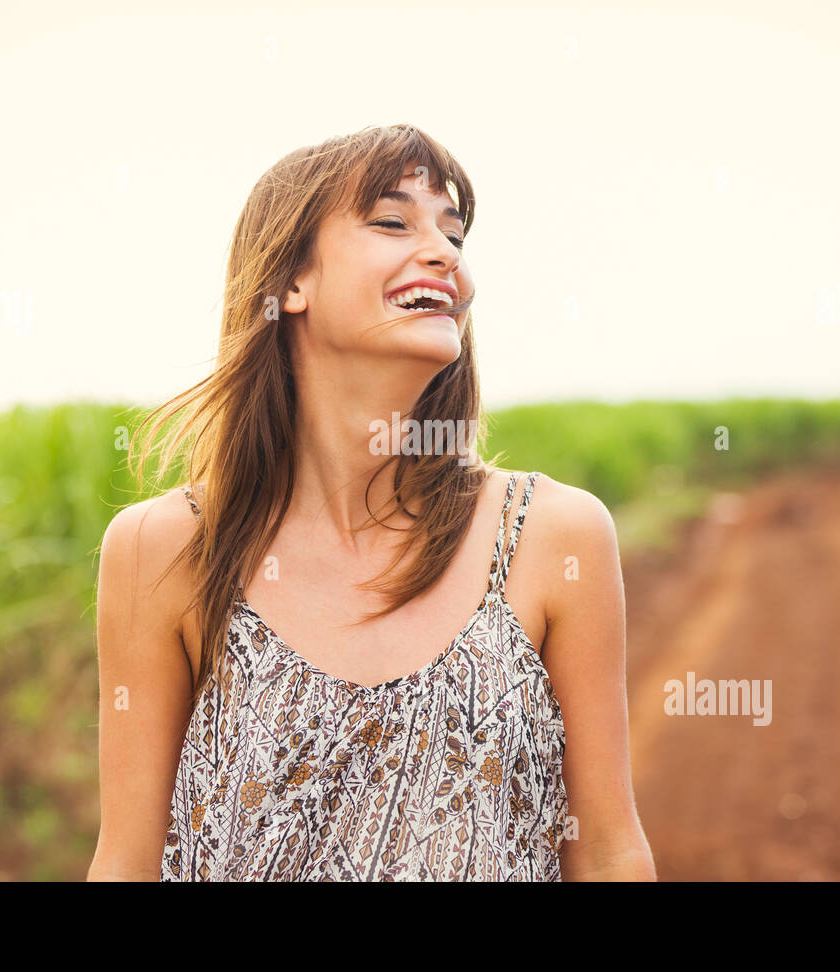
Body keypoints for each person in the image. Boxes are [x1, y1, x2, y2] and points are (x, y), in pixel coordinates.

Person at [86, 124, 655, 881]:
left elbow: (610, 853)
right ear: (291, 283)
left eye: (454, 234)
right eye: (393, 222)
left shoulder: (557, 536)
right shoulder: (161, 550)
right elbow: (126, 863)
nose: (447, 255)